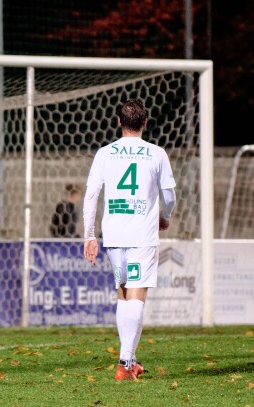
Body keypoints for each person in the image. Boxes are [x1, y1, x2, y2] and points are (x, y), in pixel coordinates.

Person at [83, 99, 176, 381]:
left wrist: (89, 235)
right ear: (145, 123)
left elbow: (91, 196)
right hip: (142, 236)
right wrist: (166, 215)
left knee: (123, 295)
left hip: (113, 236)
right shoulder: (156, 153)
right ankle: (124, 363)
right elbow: (170, 196)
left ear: (119, 123)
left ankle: (131, 359)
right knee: (136, 295)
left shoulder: (105, 153)